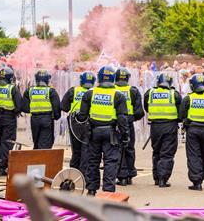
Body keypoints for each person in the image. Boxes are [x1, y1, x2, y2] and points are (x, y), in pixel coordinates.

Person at [78, 66, 129, 195]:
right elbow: (122, 118)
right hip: (111, 133)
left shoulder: (90, 93)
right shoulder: (118, 95)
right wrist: (125, 135)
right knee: (110, 162)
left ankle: (91, 189)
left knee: (93, 161)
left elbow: (82, 116)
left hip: (93, 132)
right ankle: (108, 190)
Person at [144, 73, 181, 188]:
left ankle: (156, 177)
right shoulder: (174, 94)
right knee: (167, 153)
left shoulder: (149, 93)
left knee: (156, 152)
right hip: (170, 126)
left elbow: (146, 107)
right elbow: (181, 111)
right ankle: (163, 179)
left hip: (155, 126)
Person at [0, 67, 22, 176]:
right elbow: (18, 107)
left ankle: (0, 162)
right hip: (9, 117)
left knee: (0, 140)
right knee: (7, 142)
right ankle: (3, 167)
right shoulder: (13, 89)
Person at [115, 68, 144, 186]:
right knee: (129, 149)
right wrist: (130, 119)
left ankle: (121, 175)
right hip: (128, 123)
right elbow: (139, 112)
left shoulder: (112, 90)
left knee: (117, 149)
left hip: (115, 124)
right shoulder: (133, 91)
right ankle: (129, 175)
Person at [61, 71, 96, 171]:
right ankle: (84, 171)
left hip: (74, 122)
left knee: (76, 148)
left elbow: (64, 106)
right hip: (90, 122)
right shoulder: (96, 92)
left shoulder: (73, 90)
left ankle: (74, 170)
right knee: (86, 147)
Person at [22, 70, 61, 149]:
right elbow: (56, 109)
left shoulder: (29, 91)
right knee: (45, 143)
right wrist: (56, 117)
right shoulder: (51, 91)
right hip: (47, 119)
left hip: (34, 119)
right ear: (47, 80)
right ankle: (42, 160)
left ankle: (37, 159)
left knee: (36, 142)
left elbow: (25, 108)